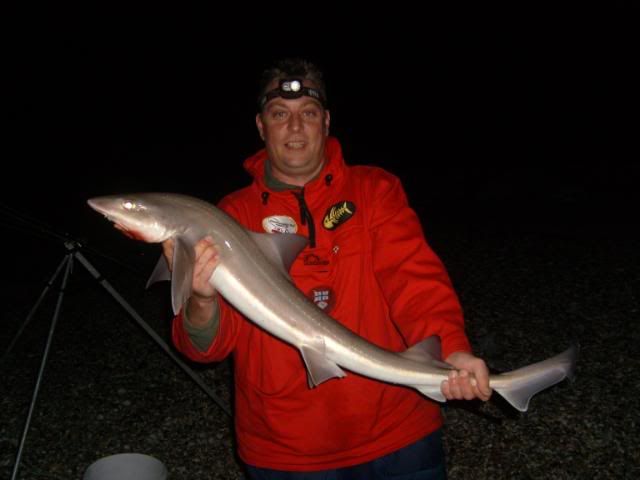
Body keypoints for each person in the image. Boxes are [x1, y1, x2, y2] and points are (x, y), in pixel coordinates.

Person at [164, 58, 492, 479]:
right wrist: (201, 300)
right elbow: (205, 350)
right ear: (261, 127)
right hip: (286, 449)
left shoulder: (375, 190)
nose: (295, 127)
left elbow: (413, 279)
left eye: (308, 114)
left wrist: (451, 349)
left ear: (327, 122)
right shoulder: (230, 216)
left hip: (397, 430)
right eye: (280, 115)